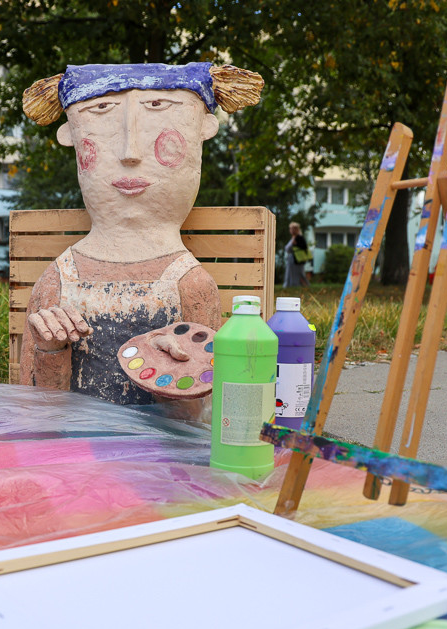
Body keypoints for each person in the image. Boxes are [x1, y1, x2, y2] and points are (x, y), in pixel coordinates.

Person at [18, 63, 263, 405]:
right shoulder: (58, 280)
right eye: (100, 115)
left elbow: (207, 411)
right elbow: (33, 409)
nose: (130, 152)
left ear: (200, 135)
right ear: (72, 140)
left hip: (158, 453)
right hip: (73, 449)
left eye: (157, 124)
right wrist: (49, 349)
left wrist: (176, 378)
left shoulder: (189, 284)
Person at [283, 222, 311, 288]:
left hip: (297, 259)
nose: (291, 230)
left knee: (299, 273)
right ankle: (289, 285)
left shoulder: (299, 238)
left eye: (293, 229)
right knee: (290, 273)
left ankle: (304, 285)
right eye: (291, 229)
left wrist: (295, 244)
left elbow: (304, 247)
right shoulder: (293, 238)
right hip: (292, 258)